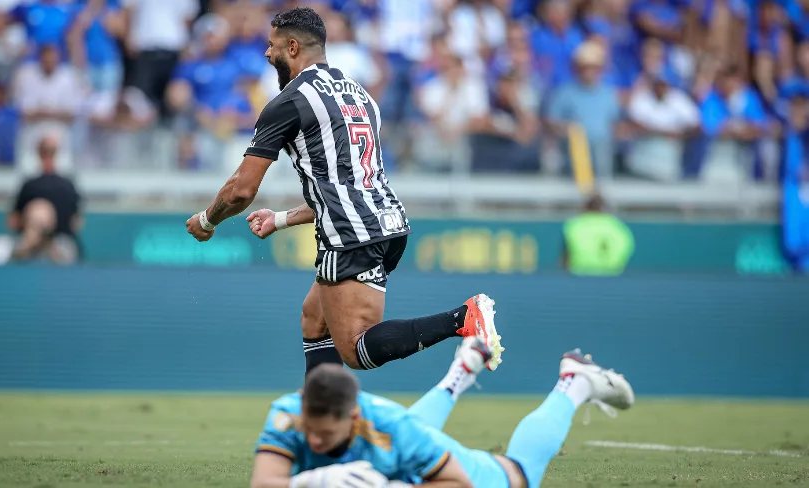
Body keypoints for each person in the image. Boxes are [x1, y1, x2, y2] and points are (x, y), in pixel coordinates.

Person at [185, 7, 502, 375]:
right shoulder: (361, 96)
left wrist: (208, 221)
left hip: (351, 235)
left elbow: (241, 190)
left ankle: (463, 318)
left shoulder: (290, 102)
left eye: (271, 46)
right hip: (384, 221)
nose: (266, 54)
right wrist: (281, 219)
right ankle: (323, 420)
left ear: (291, 47)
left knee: (355, 349)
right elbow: (344, 185)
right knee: (314, 320)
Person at [250, 336, 635, 488]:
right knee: (404, 440)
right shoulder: (287, 414)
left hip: (442, 467)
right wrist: (311, 483)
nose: (313, 440)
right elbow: (263, 483)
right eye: (309, 430)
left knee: (519, 475)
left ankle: (574, 382)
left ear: (351, 419)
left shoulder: (393, 428)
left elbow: (457, 483)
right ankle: (461, 372)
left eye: (324, 435)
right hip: (400, 444)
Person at [8, 133, 82, 264]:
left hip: (47, 250)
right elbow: (76, 223)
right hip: (54, 249)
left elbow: (14, 221)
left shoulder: (29, 186)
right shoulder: (67, 186)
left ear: (38, 153)